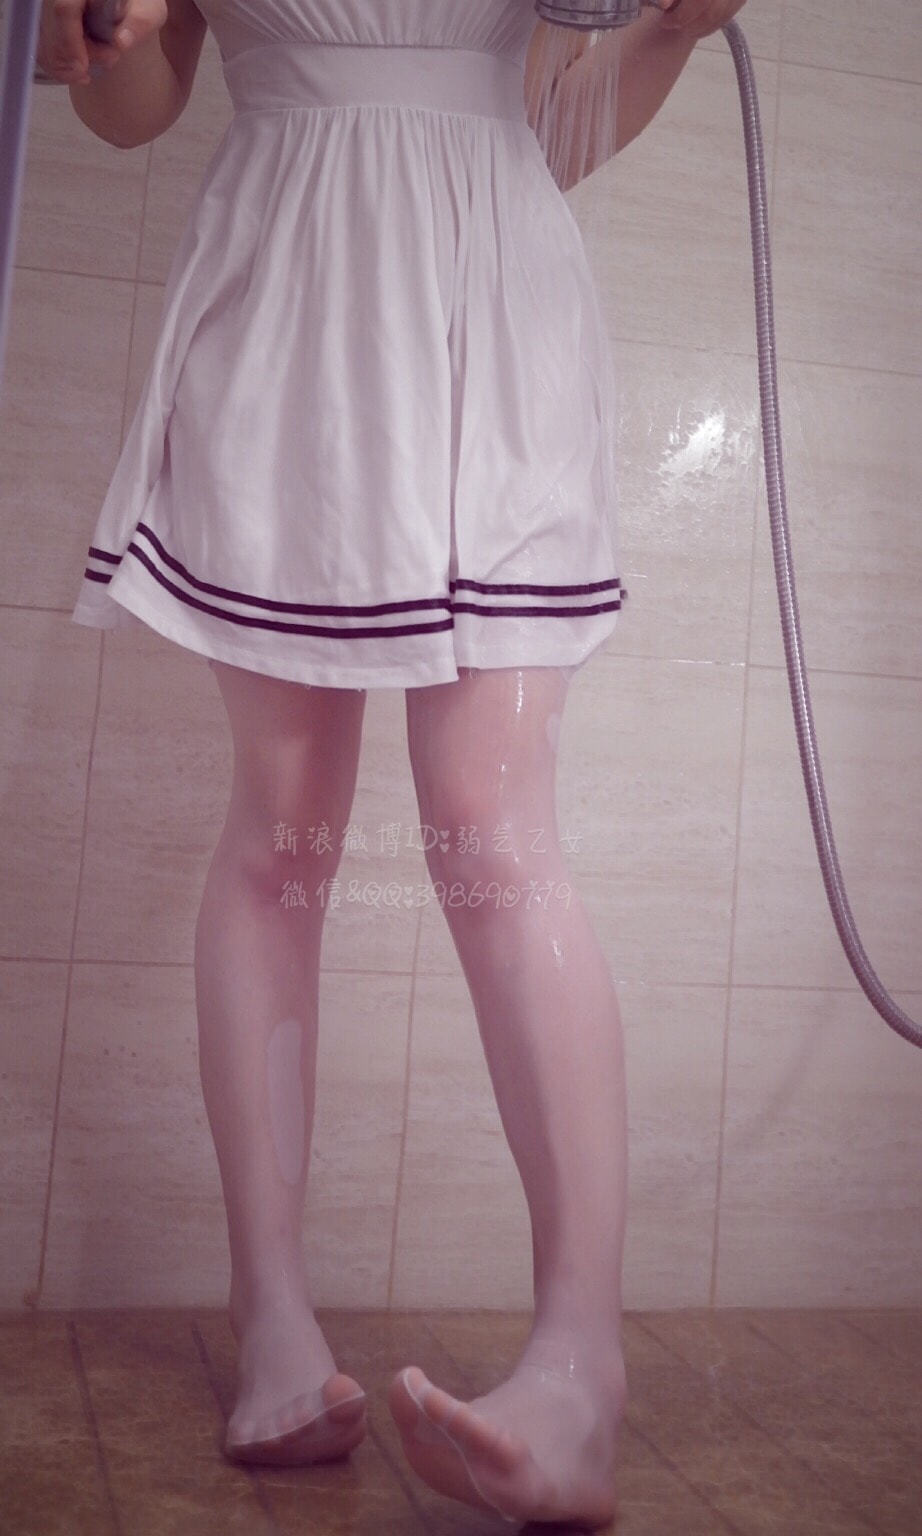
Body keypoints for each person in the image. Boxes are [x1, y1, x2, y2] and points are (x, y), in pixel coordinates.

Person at [39, 0, 746, 1526]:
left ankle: (580, 1369)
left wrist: (676, 33)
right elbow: (133, 103)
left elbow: (552, 122)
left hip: (494, 295)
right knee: (282, 821)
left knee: (491, 820)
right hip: (287, 294)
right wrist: (82, 32)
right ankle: (272, 1319)